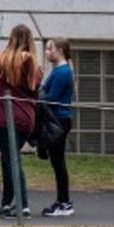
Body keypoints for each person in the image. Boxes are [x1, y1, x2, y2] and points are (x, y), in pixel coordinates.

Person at [0, 23, 43, 218]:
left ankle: (22, 205)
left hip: (3, 117)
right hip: (26, 118)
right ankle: (6, 202)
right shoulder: (32, 64)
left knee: (12, 160)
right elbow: (37, 87)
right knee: (9, 158)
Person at [39, 37, 76, 217]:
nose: (46, 52)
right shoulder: (58, 71)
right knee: (57, 161)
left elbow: (51, 96)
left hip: (59, 121)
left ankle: (65, 203)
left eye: (49, 49)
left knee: (58, 162)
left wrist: (38, 96)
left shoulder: (62, 72)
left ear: (60, 50)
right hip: (57, 120)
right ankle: (62, 200)